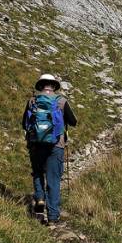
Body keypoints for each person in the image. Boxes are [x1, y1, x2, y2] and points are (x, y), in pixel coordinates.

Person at [21, 73, 77, 225]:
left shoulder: (32, 101)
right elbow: (73, 122)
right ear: (53, 86)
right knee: (53, 179)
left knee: (38, 173)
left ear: (41, 85)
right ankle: (53, 216)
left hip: (35, 144)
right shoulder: (61, 101)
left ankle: (39, 200)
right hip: (56, 145)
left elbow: (24, 124)